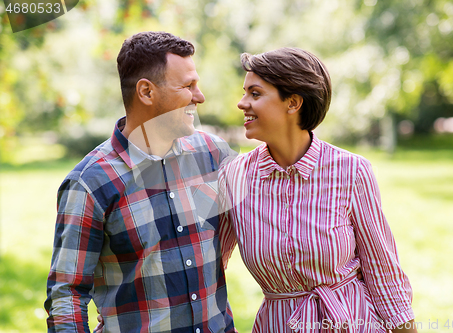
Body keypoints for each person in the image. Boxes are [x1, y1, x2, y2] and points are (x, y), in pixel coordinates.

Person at [44, 31, 237, 333]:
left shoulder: (213, 154)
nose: (199, 97)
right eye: (188, 86)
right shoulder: (90, 183)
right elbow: (67, 294)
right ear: (146, 92)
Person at [218, 48, 418, 332]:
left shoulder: (351, 171)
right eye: (244, 92)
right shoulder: (234, 177)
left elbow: (382, 271)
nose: (241, 103)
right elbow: (209, 269)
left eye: (255, 93)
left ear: (293, 103)